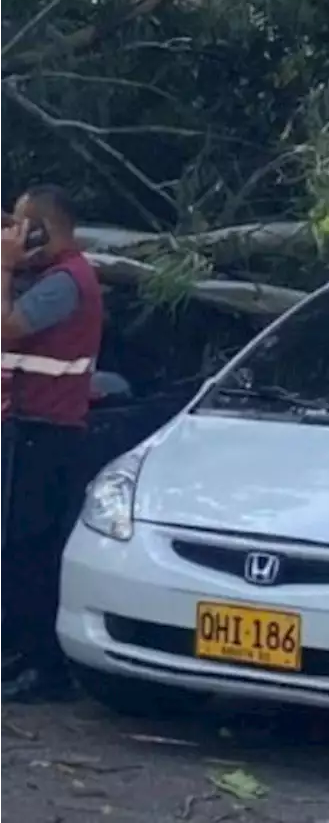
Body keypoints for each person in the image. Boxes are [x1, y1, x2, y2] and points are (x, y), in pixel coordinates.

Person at [0, 185, 103, 702]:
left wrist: (2, 267)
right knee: (17, 548)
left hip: (48, 432)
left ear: (41, 228)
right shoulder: (49, 275)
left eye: (21, 224)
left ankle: (43, 665)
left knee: (31, 549)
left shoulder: (65, 282)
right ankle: (19, 650)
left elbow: (6, 327)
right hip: (30, 427)